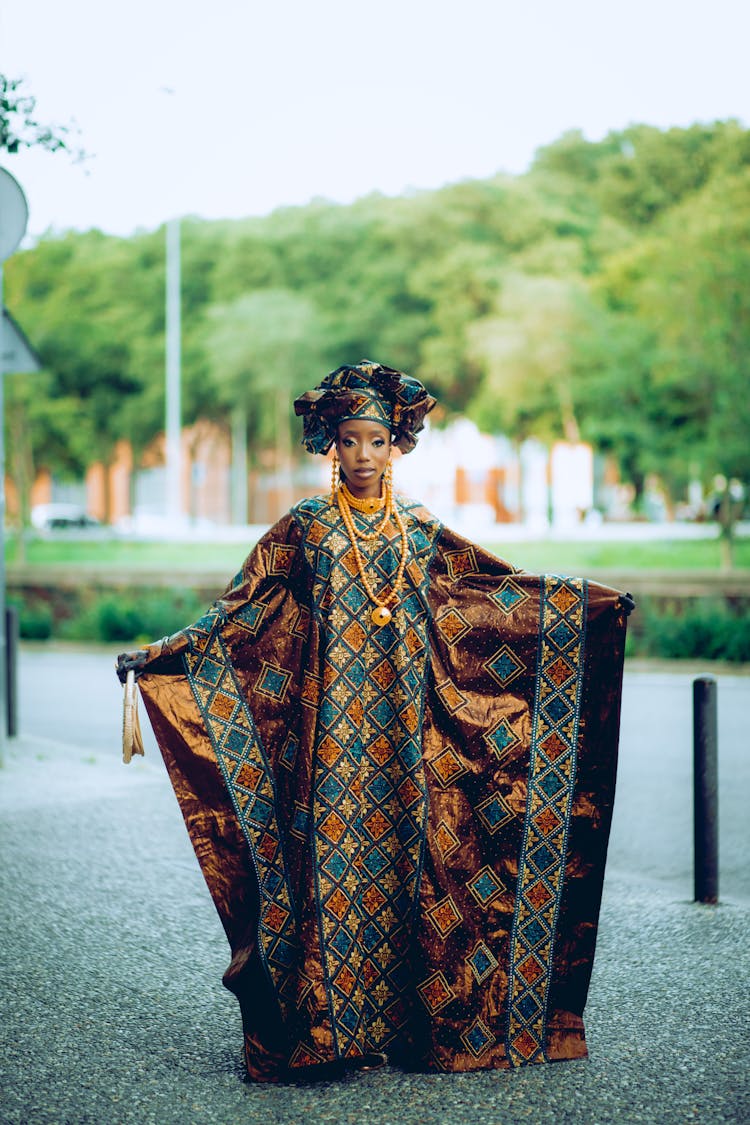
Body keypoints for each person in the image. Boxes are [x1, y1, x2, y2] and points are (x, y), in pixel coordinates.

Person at [117, 360, 633, 1083]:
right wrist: (164, 653)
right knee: (328, 868)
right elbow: (238, 611)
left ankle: (408, 1026)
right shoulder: (305, 528)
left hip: (405, 736)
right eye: (351, 439)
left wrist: (586, 611)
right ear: (331, 442)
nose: (363, 453)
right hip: (326, 737)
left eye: (377, 440)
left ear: (398, 445)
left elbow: (494, 590)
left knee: (409, 871)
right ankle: (327, 1031)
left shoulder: (421, 530)